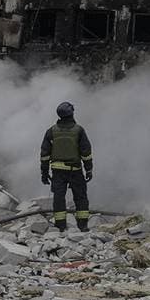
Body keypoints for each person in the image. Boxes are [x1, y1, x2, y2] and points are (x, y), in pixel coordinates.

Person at [39, 100, 94, 233]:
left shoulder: (51, 131)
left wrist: (44, 173)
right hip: (75, 170)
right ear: (72, 114)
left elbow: (45, 155)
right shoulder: (79, 130)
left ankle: (60, 226)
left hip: (57, 172)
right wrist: (89, 169)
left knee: (59, 198)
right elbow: (86, 152)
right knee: (80, 197)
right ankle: (83, 226)